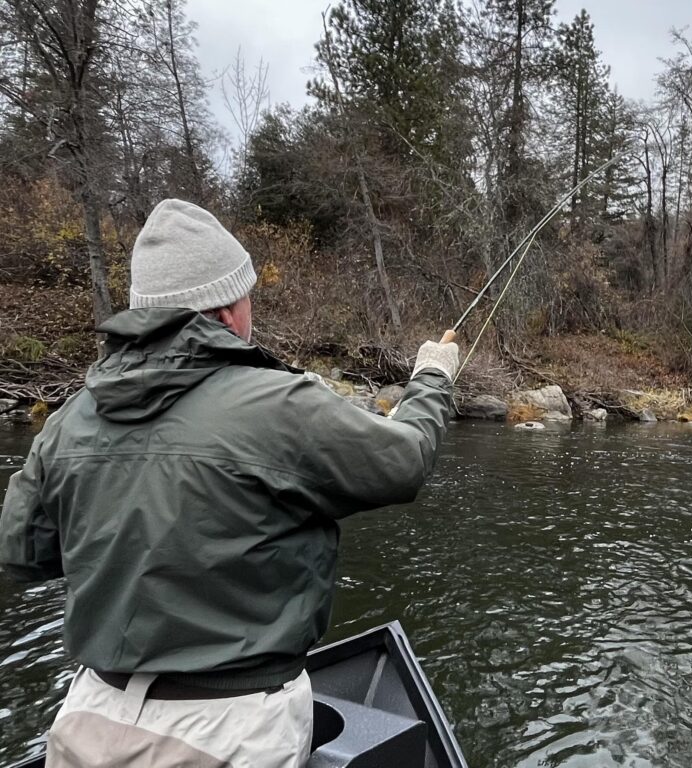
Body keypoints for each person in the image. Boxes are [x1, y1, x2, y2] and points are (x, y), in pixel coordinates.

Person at [0, 199, 459, 767]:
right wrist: (433, 378)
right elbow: (405, 461)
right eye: (247, 298)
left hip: (90, 713)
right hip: (231, 727)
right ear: (223, 313)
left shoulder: (70, 418)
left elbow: (22, 554)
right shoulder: (277, 404)